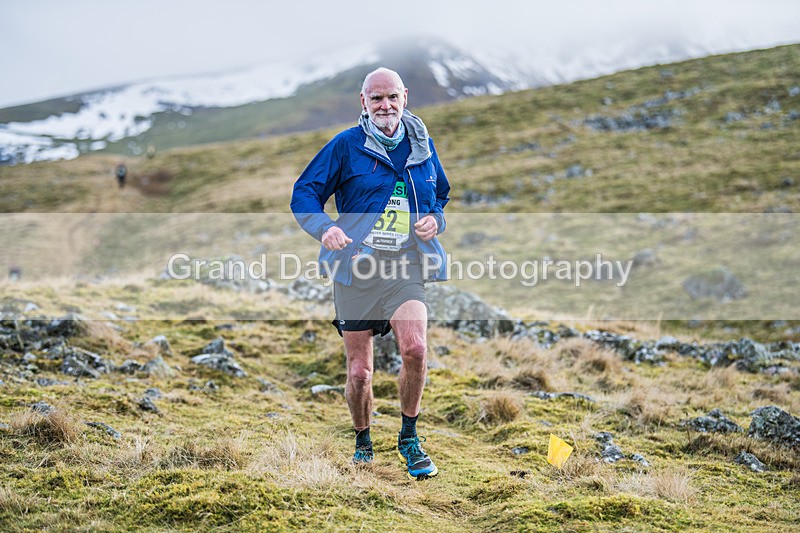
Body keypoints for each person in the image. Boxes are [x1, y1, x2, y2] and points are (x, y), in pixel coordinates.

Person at [291, 68, 451, 479]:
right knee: (360, 373)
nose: (385, 105)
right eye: (376, 98)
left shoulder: (421, 143)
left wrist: (434, 219)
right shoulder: (346, 145)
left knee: (415, 349)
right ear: (363, 101)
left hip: (404, 265)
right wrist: (325, 228)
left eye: (392, 97)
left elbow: (441, 194)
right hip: (356, 268)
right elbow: (304, 192)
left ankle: (409, 439)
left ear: (404, 97)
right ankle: (363, 441)